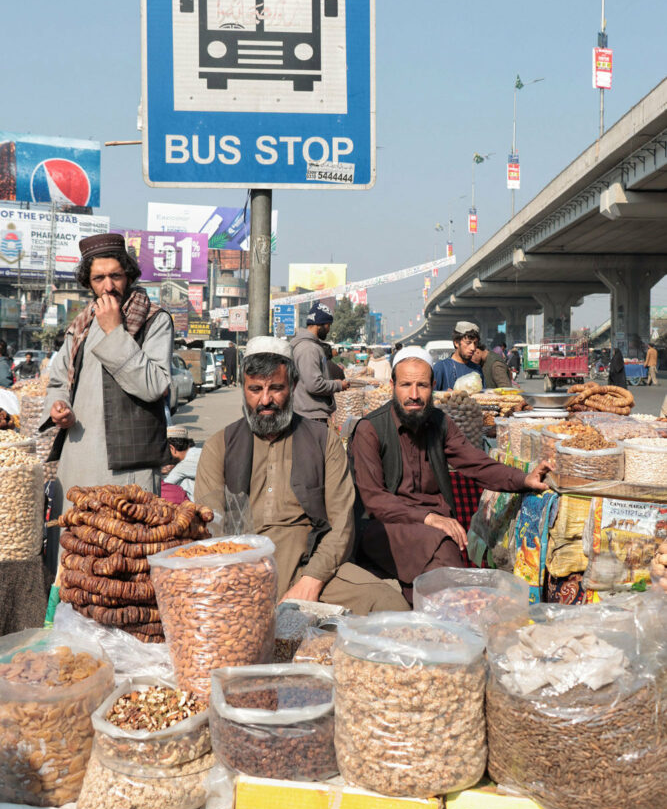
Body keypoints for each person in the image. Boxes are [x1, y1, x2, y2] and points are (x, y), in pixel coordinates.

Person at [195, 337, 408, 612]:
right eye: (255, 389)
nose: (266, 400)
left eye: (276, 388)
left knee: (390, 603)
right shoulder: (219, 445)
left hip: (311, 565)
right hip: (240, 571)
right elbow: (210, 528)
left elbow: (341, 523)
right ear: (243, 389)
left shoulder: (323, 441)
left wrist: (312, 580)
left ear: (293, 386)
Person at [349, 346, 551, 602]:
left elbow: (476, 463)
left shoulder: (440, 423)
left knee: (443, 552)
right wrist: (428, 518)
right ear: (392, 385)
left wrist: (523, 479)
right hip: (386, 526)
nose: (414, 395)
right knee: (442, 550)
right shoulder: (370, 429)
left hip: (435, 526)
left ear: (433, 385)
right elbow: (375, 500)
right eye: (406, 385)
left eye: (421, 385)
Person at [41, 233, 174, 537]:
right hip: (78, 455)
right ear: (88, 283)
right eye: (99, 278)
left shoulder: (154, 320)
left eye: (115, 275)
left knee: (122, 560)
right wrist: (59, 407)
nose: (109, 286)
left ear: (129, 275)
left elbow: (154, 385)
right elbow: (59, 380)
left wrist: (115, 331)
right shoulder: (81, 324)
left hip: (127, 468)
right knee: (74, 554)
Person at [291, 302, 351, 421]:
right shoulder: (309, 349)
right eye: (328, 325)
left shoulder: (310, 346)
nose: (328, 330)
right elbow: (314, 385)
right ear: (320, 325)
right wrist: (338, 384)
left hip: (311, 416)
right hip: (311, 417)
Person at [433, 321, 484, 390]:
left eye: (475, 343)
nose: (473, 348)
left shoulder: (477, 369)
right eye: (468, 343)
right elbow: (431, 397)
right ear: (456, 343)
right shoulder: (441, 368)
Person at [163, 426, 202, 500]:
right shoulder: (200, 451)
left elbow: (165, 485)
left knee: (181, 483)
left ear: (172, 448)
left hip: (209, 505)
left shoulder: (182, 467)